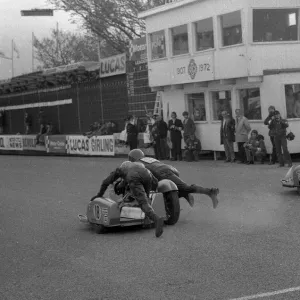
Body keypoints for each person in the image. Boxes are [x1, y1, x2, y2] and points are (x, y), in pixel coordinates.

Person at [128, 149, 219, 209]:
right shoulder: (148, 158)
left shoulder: (136, 163)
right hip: (170, 169)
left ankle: (210, 191)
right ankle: (185, 194)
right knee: (173, 189)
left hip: (162, 174)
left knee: (182, 188)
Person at [96, 161, 164, 238]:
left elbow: (105, 182)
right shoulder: (138, 166)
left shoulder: (121, 170)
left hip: (134, 178)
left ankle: (157, 219)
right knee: (146, 199)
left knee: (143, 203)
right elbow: (155, 181)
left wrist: (99, 195)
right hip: (147, 174)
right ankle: (147, 219)